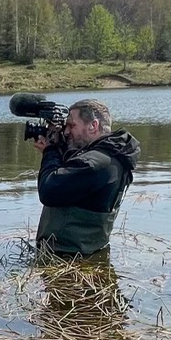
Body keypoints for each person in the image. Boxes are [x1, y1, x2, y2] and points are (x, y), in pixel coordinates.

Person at [33, 99, 140, 257]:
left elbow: (48, 190)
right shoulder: (110, 155)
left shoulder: (95, 164)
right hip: (86, 253)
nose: (67, 132)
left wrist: (50, 151)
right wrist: (57, 147)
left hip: (71, 255)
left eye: (72, 125)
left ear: (93, 126)